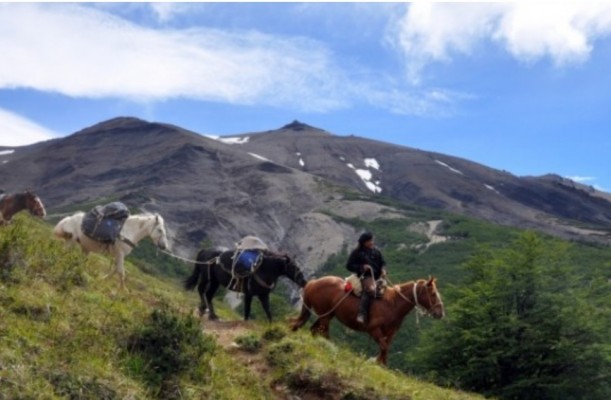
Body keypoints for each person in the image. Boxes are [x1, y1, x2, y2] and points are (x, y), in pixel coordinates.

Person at [346, 232, 387, 324]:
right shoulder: (357, 252)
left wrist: (383, 269)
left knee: (386, 291)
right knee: (371, 290)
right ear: (364, 242)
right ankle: (361, 314)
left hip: (378, 277)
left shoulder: (376, 251)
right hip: (366, 276)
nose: (372, 242)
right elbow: (349, 265)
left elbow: (383, 262)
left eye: (372, 240)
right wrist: (361, 267)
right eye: (369, 241)